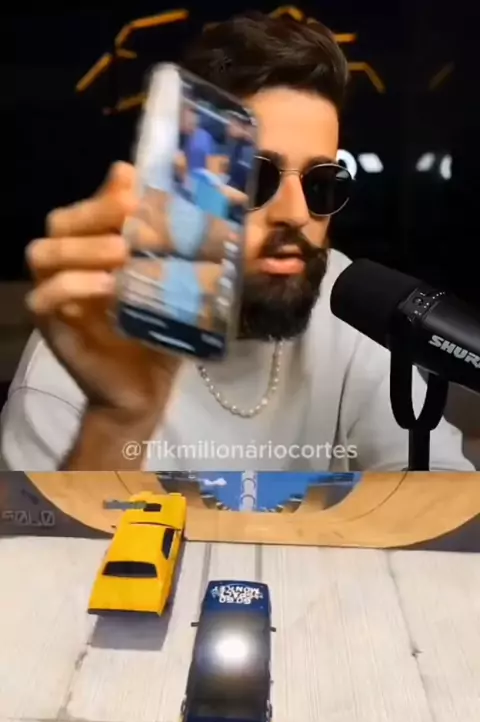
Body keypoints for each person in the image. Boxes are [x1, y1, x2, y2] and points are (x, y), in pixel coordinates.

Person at [0, 13, 473, 471]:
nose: (295, 213)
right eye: (254, 177)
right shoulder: (87, 348)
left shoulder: (345, 303)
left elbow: (443, 488)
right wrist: (116, 420)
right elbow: (42, 528)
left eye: (320, 183)